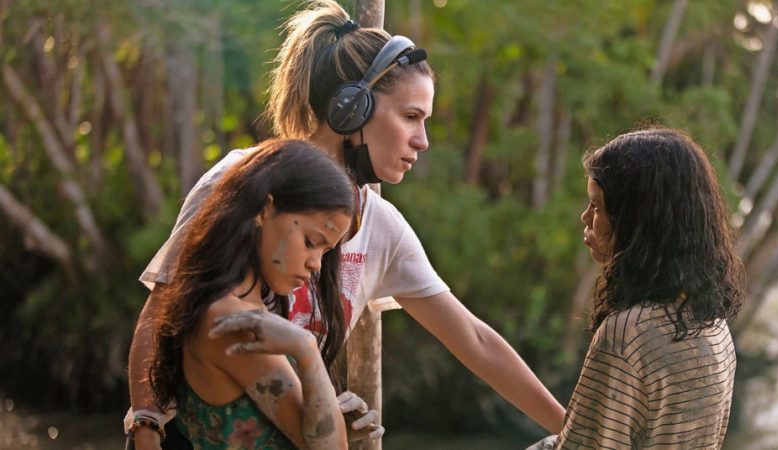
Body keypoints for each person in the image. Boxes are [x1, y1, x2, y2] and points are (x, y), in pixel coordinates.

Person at [127, 0, 566, 448]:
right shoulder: (243, 179)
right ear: (352, 108)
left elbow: (475, 341)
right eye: (410, 117)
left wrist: (574, 432)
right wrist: (145, 422)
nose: (422, 140)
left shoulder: (382, 226)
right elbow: (163, 306)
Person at [527, 128, 745, 450]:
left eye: (597, 206)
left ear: (636, 219)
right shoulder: (714, 327)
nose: (585, 217)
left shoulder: (628, 333)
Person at [143, 139, 353, 449]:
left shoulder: (236, 306)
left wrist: (338, 413)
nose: (316, 264)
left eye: (325, 251)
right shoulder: (233, 322)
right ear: (264, 210)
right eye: (310, 242)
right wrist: (306, 348)